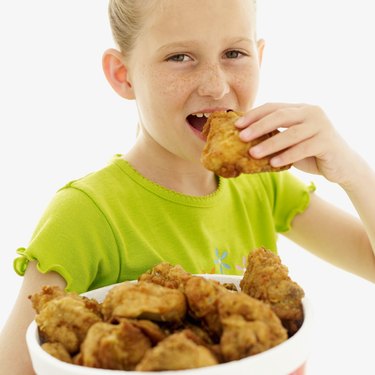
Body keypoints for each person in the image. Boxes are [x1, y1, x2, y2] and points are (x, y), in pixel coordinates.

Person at [1, 0, 375, 373]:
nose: (216, 86)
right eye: (180, 57)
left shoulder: (263, 185)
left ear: (259, 57)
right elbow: (15, 365)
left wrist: (352, 172)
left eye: (234, 52)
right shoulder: (85, 214)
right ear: (123, 75)